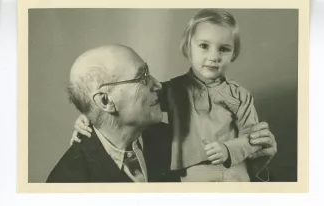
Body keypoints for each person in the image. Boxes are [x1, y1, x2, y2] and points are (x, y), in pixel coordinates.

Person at [72, 9, 277, 182]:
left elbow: (255, 137)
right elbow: (127, 106)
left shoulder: (240, 96)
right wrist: (90, 117)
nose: (214, 57)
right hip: (191, 176)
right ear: (188, 48)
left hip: (234, 173)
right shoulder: (172, 90)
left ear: (233, 54)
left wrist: (229, 149)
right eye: (204, 46)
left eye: (224, 49)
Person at [47, 45, 179, 182]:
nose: (158, 85)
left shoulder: (176, 138)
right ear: (105, 101)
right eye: (142, 77)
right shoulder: (68, 182)